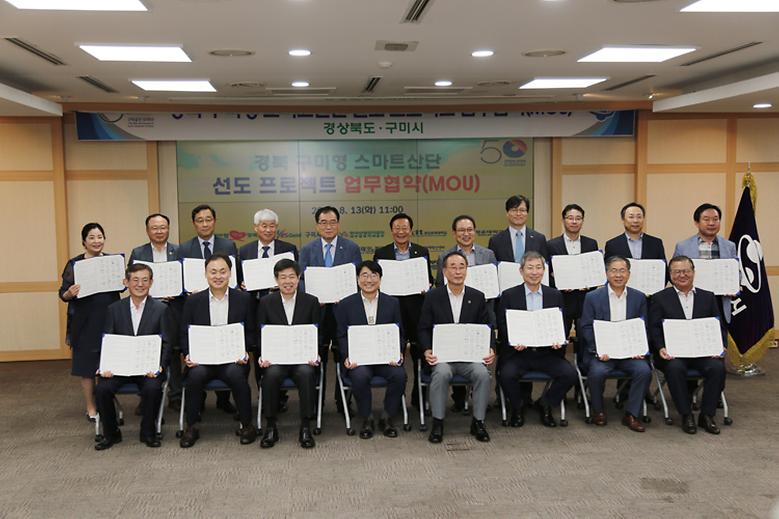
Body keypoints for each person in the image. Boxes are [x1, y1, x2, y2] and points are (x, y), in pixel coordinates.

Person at [178, 254, 257, 448]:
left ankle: (247, 424)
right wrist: (188, 355)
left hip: (232, 359)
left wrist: (245, 351)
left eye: (223, 271)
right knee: (195, 377)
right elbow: (184, 333)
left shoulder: (243, 299)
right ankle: (191, 426)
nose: (218, 276)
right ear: (205, 274)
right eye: (213, 272)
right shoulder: (194, 301)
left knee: (237, 376)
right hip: (202, 360)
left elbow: (252, 332)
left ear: (230, 273)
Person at [419, 251, 495, 444]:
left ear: (467, 270)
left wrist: (490, 349)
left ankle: (478, 421)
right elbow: (423, 328)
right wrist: (427, 349)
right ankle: (438, 422)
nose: (458, 271)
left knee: (482, 374)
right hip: (443, 357)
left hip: (470, 356)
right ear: (444, 271)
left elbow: (487, 328)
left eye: (462, 267)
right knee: (441, 373)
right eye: (453, 267)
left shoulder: (477, 296)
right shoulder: (433, 296)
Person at [496, 251, 577, 427]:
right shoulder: (509, 296)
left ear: (544, 270)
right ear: (521, 271)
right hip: (519, 354)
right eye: (530, 268)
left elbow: (561, 323)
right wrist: (512, 340)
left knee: (570, 375)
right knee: (506, 375)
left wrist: (558, 340)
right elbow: (502, 324)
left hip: (547, 353)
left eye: (538, 267)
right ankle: (518, 407)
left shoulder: (554, 295)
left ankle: (546, 403)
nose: (534, 272)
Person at [94, 264, 170, 450]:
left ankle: (148, 432)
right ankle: (111, 433)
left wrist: (159, 367)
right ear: (126, 282)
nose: (140, 284)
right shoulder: (114, 309)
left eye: (145, 280)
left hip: (147, 368)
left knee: (153, 388)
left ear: (151, 283)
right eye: (135, 280)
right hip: (120, 367)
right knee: (102, 389)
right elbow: (108, 340)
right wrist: (105, 366)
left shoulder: (161, 309)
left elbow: (167, 343)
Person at [648, 256, 727, 435]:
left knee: (717, 367)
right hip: (672, 354)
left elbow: (719, 326)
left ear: (693, 272)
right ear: (670, 275)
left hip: (703, 353)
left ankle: (707, 415)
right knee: (675, 368)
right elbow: (654, 329)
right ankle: (686, 414)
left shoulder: (708, 297)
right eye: (677, 272)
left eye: (686, 271)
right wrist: (660, 347)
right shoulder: (660, 298)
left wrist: (721, 346)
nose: (682, 275)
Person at [298, 206, 362, 415]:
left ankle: (343, 400)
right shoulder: (307, 250)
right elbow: (301, 282)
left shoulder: (351, 248)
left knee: (345, 353)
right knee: (318, 355)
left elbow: (357, 279)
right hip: (318, 312)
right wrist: (315, 297)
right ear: (317, 226)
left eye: (332, 222)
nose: (328, 226)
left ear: (338, 224)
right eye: (324, 222)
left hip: (344, 311)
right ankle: (317, 403)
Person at [177, 204, 238, 415]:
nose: (204, 223)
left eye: (208, 219)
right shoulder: (183, 249)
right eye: (200, 220)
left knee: (225, 350)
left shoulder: (228, 245)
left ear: (214, 221)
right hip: (198, 308)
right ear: (194, 223)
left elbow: (233, 275)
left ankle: (223, 399)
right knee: (202, 356)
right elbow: (179, 279)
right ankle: (199, 401)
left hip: (224, 304)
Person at [579, 256, 651, 432]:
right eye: (613, 270)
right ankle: (598, 410)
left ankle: (632, 414)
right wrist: (598, 349)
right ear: (606, 273)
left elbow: (643, 327)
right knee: (597, 371)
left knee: (644, 371)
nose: (618, 275)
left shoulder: (639, 297)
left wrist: (639, 348)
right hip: (603, 353)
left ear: (628, 274)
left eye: (622, 270)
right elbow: (586, 327)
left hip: (629, 353)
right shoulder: (593, 297)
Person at [59, 223, 122, 423]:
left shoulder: (113, 261)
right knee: (87, 368)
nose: (97, 241)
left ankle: (107, 402)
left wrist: (124, 282)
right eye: (92, 237)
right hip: (85, 321)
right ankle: (91, 406)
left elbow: (121, 289)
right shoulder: (75, 264)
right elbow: (63, 293)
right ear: (84, 241)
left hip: (110, 319)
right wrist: (70, 293)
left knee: (110, 364)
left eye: (100, 237)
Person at [335, 260, 407, 439]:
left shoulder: (392, 303)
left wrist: (398, 352)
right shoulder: (345, 304)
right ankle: (366, 418)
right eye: (364, 275)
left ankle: (387, 417)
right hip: (360, 359)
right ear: (358, 279)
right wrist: (347, 356)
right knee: (360, 376)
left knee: (399, 375)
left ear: (380, 279)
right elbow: (341, 335)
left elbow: (400, 333)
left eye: (374, 275)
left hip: (385, 358)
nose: (369, 280)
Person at [256, 259, 322, 449]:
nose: (288, 281)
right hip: (276, 359)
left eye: (292, 277)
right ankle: (270, 426)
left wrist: (315, 354)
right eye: (283, 277)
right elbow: (261, 333)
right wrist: (262, 356)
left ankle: (305, 426)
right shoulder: (266, 302)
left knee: (306, 373)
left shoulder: (310, 301)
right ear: (276, 280)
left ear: (299, 278)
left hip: (302, 358)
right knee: (271, 375)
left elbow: (318, 333)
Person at [436, 215, 497, 412]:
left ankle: (477, 400)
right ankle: (459, 398)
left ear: (475, 231)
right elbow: (440, 286)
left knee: (475, 354)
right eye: (461, 230)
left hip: (480, 308)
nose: (466, 233)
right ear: (454, 233)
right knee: (455, 351)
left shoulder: (488, 254)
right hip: (452, 312)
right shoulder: (444, 256)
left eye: (469, 229)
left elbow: (494, 285)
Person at [372, 213, 433, 411]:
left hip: (416, 310)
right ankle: (396, 399)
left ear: (411, 230)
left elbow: (429, 279)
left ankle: (419, 396)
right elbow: (375, 282)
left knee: (420, 355)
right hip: (391, 311)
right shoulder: (381, 253)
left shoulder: (421, 252)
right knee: (393, 354)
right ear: (391, 231)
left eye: (404, 228)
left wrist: (427, 286)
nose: (401, 231)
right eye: (397, 228)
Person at [238, 208, 299, 401]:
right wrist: (243, 285)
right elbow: (238, 279)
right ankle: (265, 396)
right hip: (253, 307)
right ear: (255, 227)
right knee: (259, 352)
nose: (268, 229)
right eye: (264, 225)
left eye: (272, 226)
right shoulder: (245, 251)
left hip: (279, 307)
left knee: (281, 348)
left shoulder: (288, 250)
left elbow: (294, 279)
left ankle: (280, 396)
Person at [128, 213, 182, 412]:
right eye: (155, 228)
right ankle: (146, 396)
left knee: (174, 352)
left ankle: (175, 396)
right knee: (147, 351)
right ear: (147, 230)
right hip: (147, 310)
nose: (159, 231)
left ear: (168, 229)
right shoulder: (138, 252)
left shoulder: (179, 251)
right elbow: (133, 280)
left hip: (173, 309)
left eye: (163, 227)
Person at [673, 203, 737, 323]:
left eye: (715, 219)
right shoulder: (683, 246)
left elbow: (735, 271)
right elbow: (673, 274)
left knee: (720, 337)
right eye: (706, 219)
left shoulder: (729, 246)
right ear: (697, 223)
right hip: (693, 299)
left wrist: (734, 285)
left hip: (721, 301)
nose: (711, 223)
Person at [546, 204, 599, 345]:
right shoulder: (551, 245)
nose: (574, 221)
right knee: (559, 337)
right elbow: (546, 274)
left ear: (582, 221)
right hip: (562, 299)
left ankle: (583, 365)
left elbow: (595, 270)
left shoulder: (591, 244)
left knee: (586, 338)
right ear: (563, 220)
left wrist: (590, 284)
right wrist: (559, 285)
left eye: (578, 218)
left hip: (585, 299)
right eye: (570, 218)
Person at [488, 194, 548, 263]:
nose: (518, 214)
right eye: (514, 210)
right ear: (507, 213)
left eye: (522, 210)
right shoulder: (496, 240)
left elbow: (544, 266)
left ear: (527, 213)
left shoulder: (539, 239)